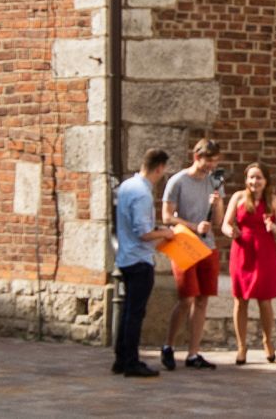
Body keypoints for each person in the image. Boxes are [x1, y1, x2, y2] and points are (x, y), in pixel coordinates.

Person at [159, 139, 226, 370]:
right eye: (209, 161)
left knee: (202, 299)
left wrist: (217, 204)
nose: (212, 166)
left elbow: (218, 221)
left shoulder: (214, 182)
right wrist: (193, 226)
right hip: (184, 244)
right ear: (197, 157)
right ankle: (168, 346)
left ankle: (193, 353)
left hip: (208, 246)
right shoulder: (178, 181)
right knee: (186, 297)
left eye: (215, 161)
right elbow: (167, 217)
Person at [110, 147, 170, 379]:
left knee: (127, 311)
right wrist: (166, 233)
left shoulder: (126, 186)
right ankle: (131, 362)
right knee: (135, 313)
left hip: (125, 256)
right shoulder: (143, 194)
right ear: (159, 168)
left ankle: (121, 358)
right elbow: (144, 233)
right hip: (139, 259)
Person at [223, 162, 276, 366]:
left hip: (264, 252)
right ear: (246, 179)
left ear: (266, 180)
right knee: (240, 300)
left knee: (264, 300)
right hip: (242, 251)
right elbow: (225, 224)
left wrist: (273, 226)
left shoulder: (274, 200)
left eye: (259, 177)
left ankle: (267, 340)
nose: (254, 181)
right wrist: (230, 231)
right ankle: (241, 346)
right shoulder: (238, 197)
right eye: (251, 177)